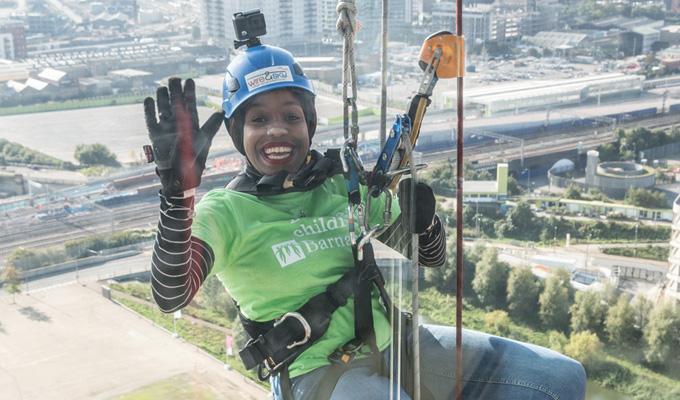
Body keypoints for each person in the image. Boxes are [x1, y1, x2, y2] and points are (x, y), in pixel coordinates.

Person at [145, 42, 586, 400]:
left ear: (310, 124)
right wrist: (176, 198)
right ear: (239, 134)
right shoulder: (225, 212)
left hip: (396, 344)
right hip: (318, 376)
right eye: (258, 119)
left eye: (291, 116)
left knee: (561, 380)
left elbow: (428, 257)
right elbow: (170, 294)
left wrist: (424, 222)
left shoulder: (343, 187)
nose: (277, 129)